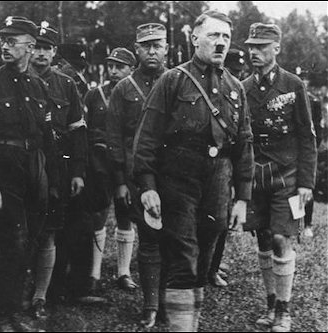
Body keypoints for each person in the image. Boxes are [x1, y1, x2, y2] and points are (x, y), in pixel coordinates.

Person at [133, 10, 254, 331]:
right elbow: (146, 137)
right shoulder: (173, 80)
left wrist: (242, 198)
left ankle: (189, 322)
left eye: (226, 37)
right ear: (195, 38)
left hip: (218, 180)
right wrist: (147, 185)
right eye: (213, 35)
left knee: (203, 258)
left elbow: (244, 144)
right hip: (178, 180)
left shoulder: (235, 87)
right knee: (184, 258)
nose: (220, 43)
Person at [0, 16, 57, 332]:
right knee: (14, 245)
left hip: (33, 171)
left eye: (12, 41)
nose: (5, 46)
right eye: (2, 41)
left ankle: (13, 312)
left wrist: (52, 180)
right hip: (4, 173)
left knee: (29, 243)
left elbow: (47, 136)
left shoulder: (39, 85)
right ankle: (1, 318)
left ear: (30, 47)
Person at [242, 23, 317, 332]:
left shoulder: (293, 84)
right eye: (251, 46)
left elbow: (307, 136)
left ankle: (284, 312)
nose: (254, 52)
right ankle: (271, 303)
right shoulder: (242, 87)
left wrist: (306, 183)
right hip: (255, 176)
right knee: (262, 236)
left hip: (286, 177)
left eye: (261, 46)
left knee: (280, 237)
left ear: (277, 49)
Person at [107, 23, 169, 328]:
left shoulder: (178, 81)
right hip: (138, 176)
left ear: (167, 47)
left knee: (174, 238)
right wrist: (120, 179)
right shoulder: (124, 88)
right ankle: (151, 304)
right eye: (146, 46)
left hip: (174, 175)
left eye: (158, 45)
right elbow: (115, 137)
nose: (153, 51)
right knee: (149, 238)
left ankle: (170, 297)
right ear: (137, 49)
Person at [29, 21, 86, 317]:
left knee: (52, 230)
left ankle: (44, 294)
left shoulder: (66, 84)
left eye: (46, 48)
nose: (40, 53)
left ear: (54, 53)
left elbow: (78, 131)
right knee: (24, 231)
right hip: (23, 165)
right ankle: (24, 288)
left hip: (57, 168)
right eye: (36, 47)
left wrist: (77, 171)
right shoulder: (18, 79)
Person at [84, 47, 136, 293]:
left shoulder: (135, 95)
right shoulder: (95, 95)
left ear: (131, 69)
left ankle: (123, 272)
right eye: (111, 66)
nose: (114, 71)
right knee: (99, 215)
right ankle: (93, 273)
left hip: (127, 164)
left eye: (120, 66)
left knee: (125, 214)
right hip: (100, 164)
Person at [207, 48, 248, 289]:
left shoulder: (238, 92)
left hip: (230, 163)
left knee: (222, 220)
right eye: (233, 70)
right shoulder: (210, 91)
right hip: (211, 161)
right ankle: (204, 265)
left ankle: (213, 267)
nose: (236, 75)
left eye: (239, 71)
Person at [299, 71, 323, 238]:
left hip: (307, 148)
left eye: (304, 79)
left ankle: (307, 224)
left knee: (307, 185)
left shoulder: (313, 101)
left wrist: (313, 148)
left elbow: (318, 129)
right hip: (291, 148)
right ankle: (295, 222)